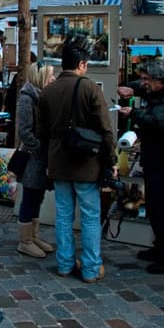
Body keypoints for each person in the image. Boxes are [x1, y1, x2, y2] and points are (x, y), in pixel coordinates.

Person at [38, 42, 116, 283]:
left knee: (63, 215)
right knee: (90, 216)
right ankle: (91, 268)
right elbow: (105, 128)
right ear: (81, 64)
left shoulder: (48, 91)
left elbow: (42, 131)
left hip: (59, 160)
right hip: (86, 161)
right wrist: (110, 159)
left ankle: (64, 262)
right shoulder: (89, 87)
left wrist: (47, 160)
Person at [117, 61, 164, 274]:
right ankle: (160, 248)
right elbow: (144, 88)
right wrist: (132, 87)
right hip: (156, 157)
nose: (143, 83)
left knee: (163, 209)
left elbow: (156, 121)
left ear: (160, 80)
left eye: (147, 80)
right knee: (155, 207)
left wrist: (133, 113)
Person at [15, 62, 56, 258]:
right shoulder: (27, 98)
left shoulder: (43, 96)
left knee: (38, 195)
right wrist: (39, 147)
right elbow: (24, 130)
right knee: (30, 196)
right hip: (34, 157)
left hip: (42, 156)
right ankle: (25, 240)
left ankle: (34, 234)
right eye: (50, 76)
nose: (53, 79)